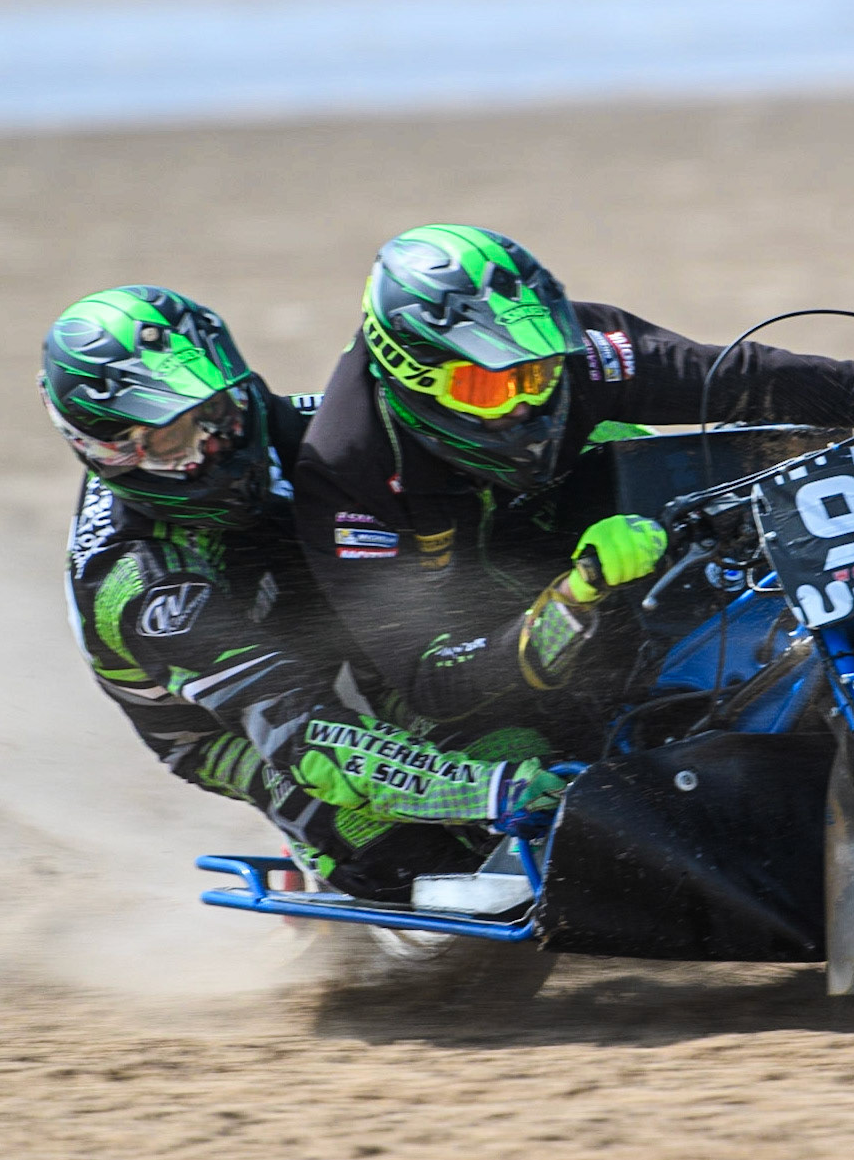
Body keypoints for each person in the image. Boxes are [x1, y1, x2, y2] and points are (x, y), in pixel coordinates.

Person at [291, 223, 854, 741]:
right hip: (476, 617)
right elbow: (432, 678)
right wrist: (573, 596)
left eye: (537, 371)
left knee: (699, 463)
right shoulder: (348, 475)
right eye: (491, 388)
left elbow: (750, 379)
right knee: (517, 751)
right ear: (412, 374)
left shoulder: (585, 352)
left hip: (592, 517)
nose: (527, 401)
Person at [40, 284, 565, 899]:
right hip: (227, 725)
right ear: (107, 451)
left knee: (530, 739)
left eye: (217, 407)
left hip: (336, 617)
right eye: (171, 437)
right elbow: (307, 739)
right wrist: (490, 792)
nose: (216, 443)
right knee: (413, 862)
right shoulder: (146, 592)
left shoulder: (290, 423)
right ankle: (321, 868)